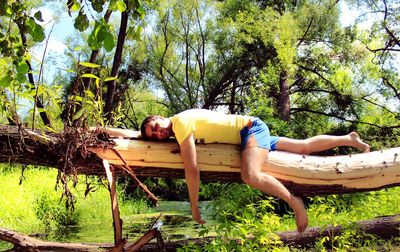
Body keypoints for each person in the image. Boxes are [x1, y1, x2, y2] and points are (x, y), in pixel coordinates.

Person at [135, 109, 370, 233]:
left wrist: (194, 207)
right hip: (249, 131)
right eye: (154, 135)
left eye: (155, 127)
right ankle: (348, 138)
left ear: (160, 118)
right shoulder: (179, 125)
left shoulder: (180, 123)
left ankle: (294, 201)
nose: (158, 133)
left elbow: (192, 169)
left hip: (250, 131)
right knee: (303, 146)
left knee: (250, 175)